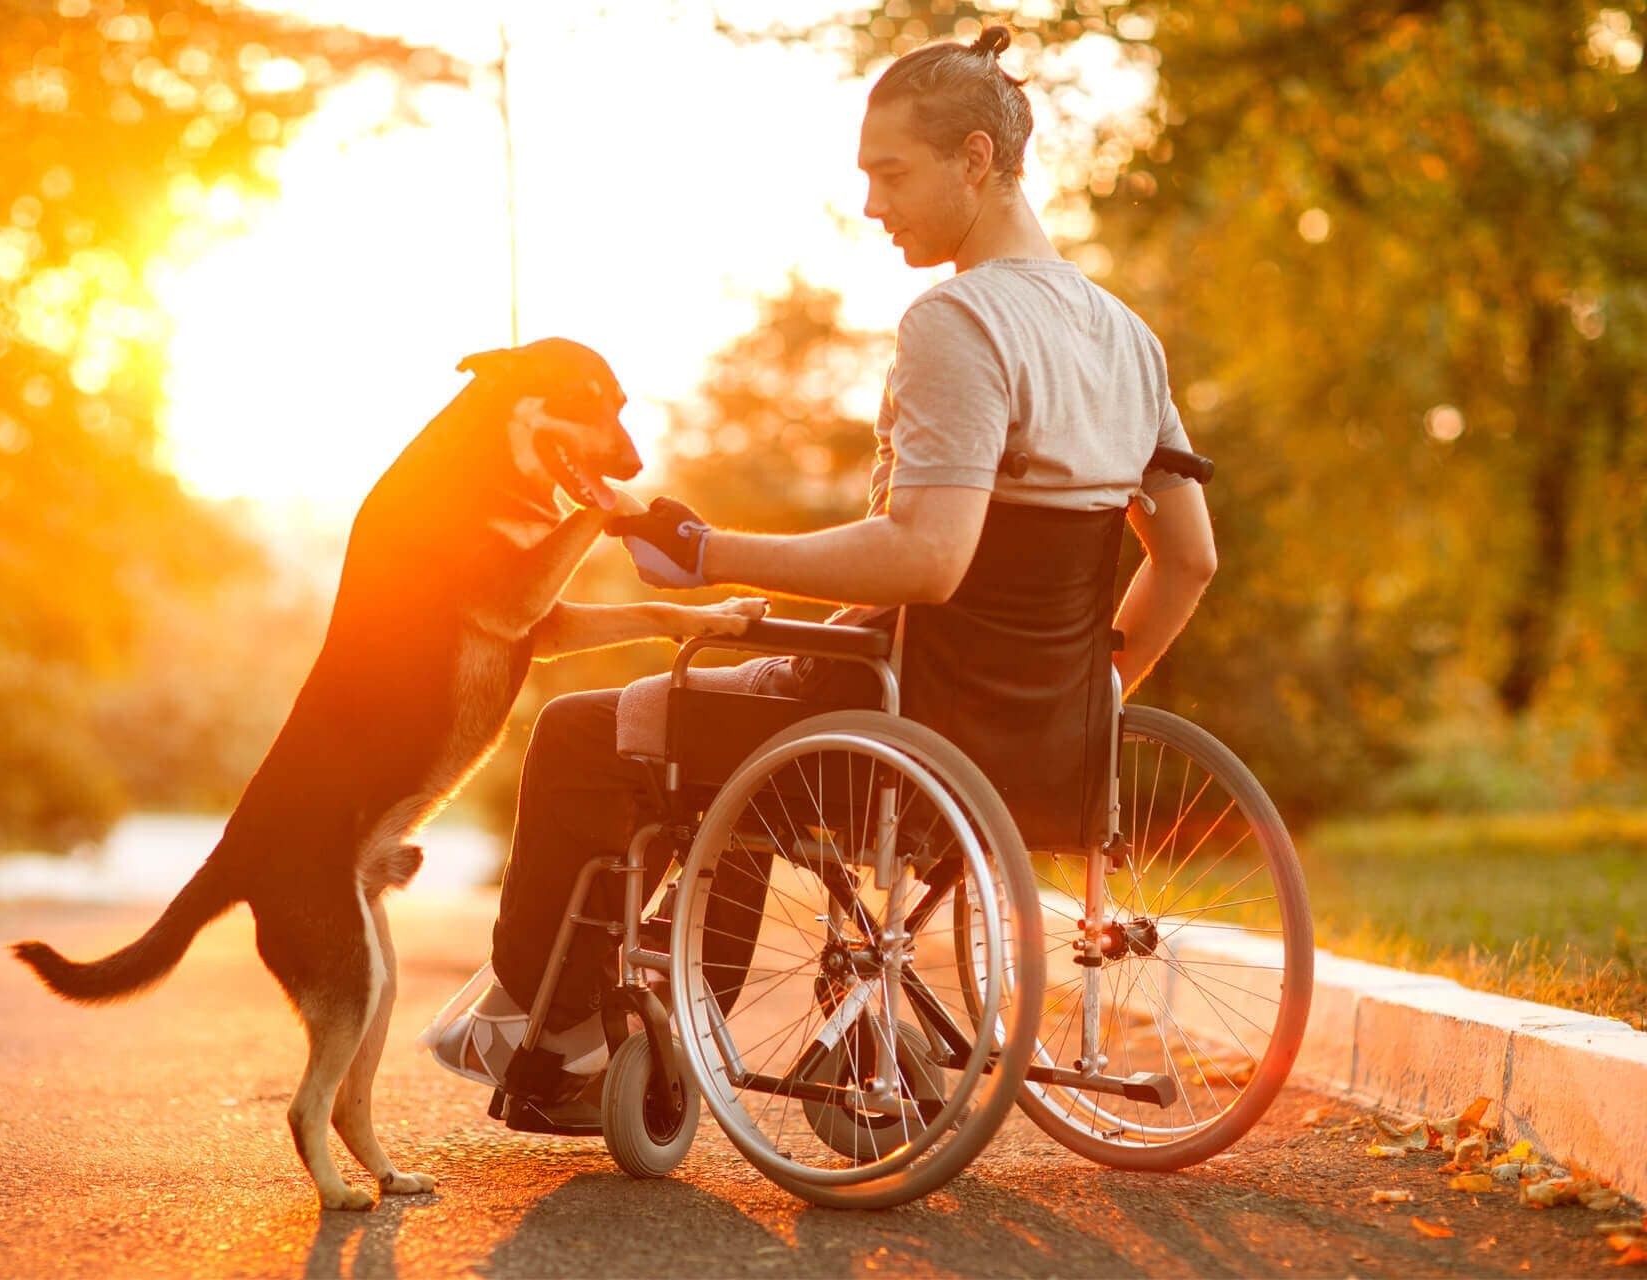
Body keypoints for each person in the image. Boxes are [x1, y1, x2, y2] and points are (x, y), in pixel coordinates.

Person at [429, 25, 1218, 1122]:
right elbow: (1189, 558)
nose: (872, 205)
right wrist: (1087, 692)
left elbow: (928, 557)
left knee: (584, 734)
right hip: (1032, 744)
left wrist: (711, 555)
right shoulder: (1127, 339)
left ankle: (553, 1033)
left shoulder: (958, 320)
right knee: (732, 714)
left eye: (891, 173)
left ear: (976, 160)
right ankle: (671, 1007)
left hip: (887, 721)